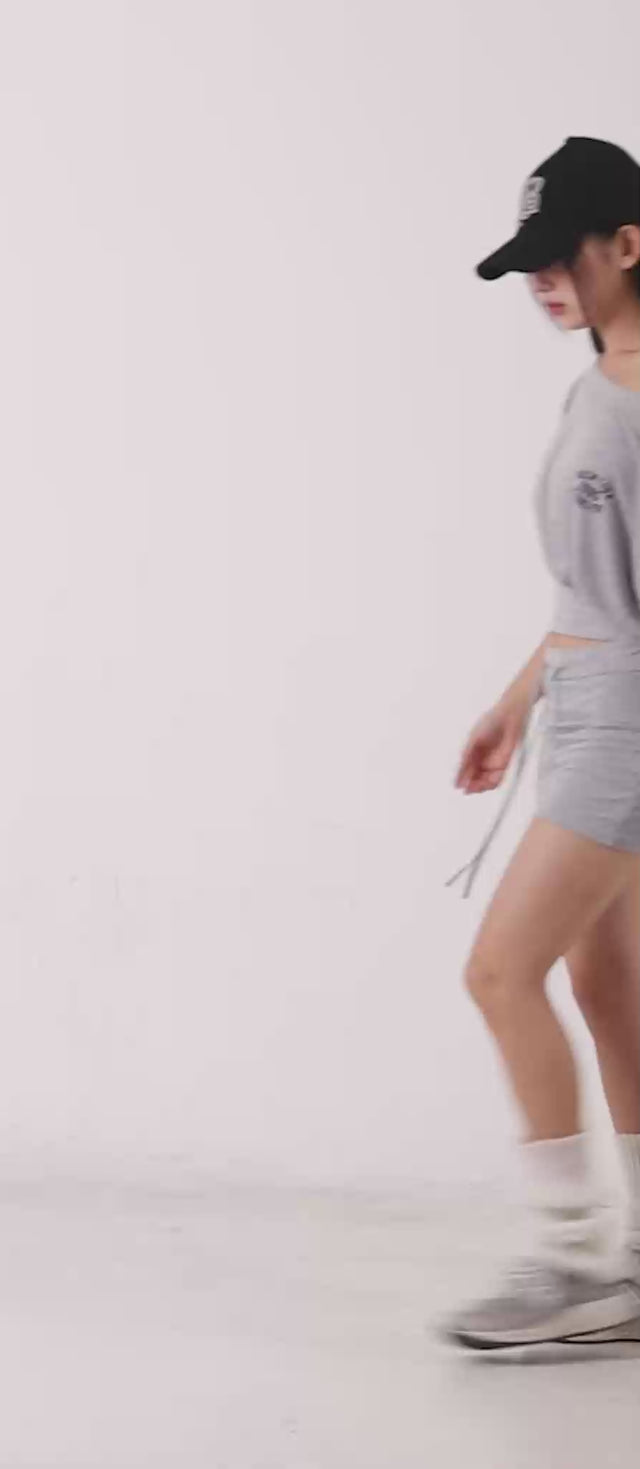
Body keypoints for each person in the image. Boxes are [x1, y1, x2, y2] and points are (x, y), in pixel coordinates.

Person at [435, 136, 640, 1350]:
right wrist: (518, 702)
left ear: (630, 243)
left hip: (628, 728)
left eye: (561, 254)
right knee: (609, 986)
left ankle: (571, 1265)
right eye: (529, 264)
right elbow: (588, 596)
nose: (542, 281)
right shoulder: (599, 381)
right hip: (585, 708)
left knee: (500, 970)